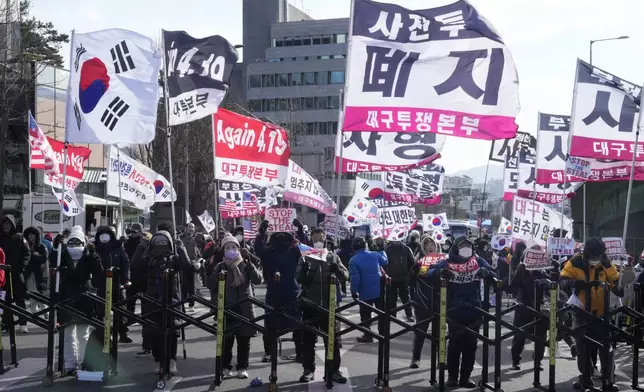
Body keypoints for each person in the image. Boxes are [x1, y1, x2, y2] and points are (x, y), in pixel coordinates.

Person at [426, 236, 496, 388]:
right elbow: (430, 271)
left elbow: (493, 273)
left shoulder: (477, 261)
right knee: (455, 344)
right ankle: (452, 376)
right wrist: (441, 272)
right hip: (454, 309)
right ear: (456, 248)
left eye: (468, 246)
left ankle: (466, 377)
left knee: (471, 345)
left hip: (474, 309)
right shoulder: (447, 262)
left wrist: (487, 272)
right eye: (463, 245)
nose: (466, 248)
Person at [559, 237, 621, 391]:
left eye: (598, 256)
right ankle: (586, 380)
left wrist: (619, 287)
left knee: (606, 348)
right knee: (582, 348)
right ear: (586, 254)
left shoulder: (606, 263)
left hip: (601, 313)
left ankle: (608, 381)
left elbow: (615, 281)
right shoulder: (575, 262)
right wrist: (574, 283)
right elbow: (562, 279)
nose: (595, 259)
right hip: (581, 312)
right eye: (592, 256)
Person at [296, 228, 348, 384]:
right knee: (309, 340)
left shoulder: (332, 257)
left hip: (329, 305)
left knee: (333, 340)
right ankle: (308, 370)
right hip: (310, 304)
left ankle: (333, 371)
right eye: (316, 238)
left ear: (325, 239)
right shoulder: (305, 257)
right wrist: (305, 273)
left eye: (321, 238)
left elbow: (346, 275)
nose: (319, 241)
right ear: (311, 241)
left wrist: (337, 270)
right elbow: (298, 278)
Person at [53, 226, 104, 374]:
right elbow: (52, 265)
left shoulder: (88, 256)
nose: (75, 246)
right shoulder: (62, 255)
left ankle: (84, 362)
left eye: (78, 243)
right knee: (68, 333)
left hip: (85, 296)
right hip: (67, 297)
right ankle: (70, 364)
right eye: (72, 243)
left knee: (83, 333)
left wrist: (94, 255)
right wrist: (55, 249)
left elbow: (99, 273)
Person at [212, 234, 262, 379]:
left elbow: (258, 280)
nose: (231, 250)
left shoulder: (245, 264)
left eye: (234, 247)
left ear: (239, 249)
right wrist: (215, 275)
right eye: (227, 247)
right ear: (223, 250)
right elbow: (210, 284)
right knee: (227, 341)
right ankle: (226, 367)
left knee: (244, 341)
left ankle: (242, 367)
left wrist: (250, 263)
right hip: (227, 308)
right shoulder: (220, 266)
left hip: (244, 308)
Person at [254, 221, 303, 363]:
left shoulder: (293, 251)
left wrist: (300, 231)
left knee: (296, 324)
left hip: (290, 291)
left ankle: (299, 351)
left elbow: (304, 247)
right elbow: (258, 249)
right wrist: (261, 233)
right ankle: (269, 352)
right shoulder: (269, 252)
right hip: (276, 292)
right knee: (271, 324)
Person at [509, 245, 553, 370]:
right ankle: (516, 359)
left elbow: (554, 285)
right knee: (520, 335)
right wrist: (519, 271)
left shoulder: (543, 271)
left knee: (541, 336)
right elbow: (512, 287)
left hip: (540, 308)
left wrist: (555, 270)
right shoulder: (522, 269)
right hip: (524, 307)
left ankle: (537, 360)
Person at [408, 234, 443, 369]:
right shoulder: (419, 261)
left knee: (440, 332)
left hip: (440, 300)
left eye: (432, 244)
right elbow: (409, 283)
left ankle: (440, 358)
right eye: (426, 245)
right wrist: (413, 272)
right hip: (422, 301)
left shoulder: (443, 261)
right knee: (420, 331)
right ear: (422, 248)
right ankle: (415, 358)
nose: (430, 246)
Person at [93, 226, 131, 343]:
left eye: (107, 234)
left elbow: (125, 263)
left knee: (121, 308)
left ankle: (122, 333)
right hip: (101, 283)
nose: (104, 237)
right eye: (102, 235)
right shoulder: (95, 248)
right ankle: (103, 334)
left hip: (117, 282)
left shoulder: (118, 247)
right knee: (101, 310)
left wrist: (126, 279)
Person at [348, 236, 388, 343]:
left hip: (364, 289)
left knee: (365, 314)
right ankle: (383, 334)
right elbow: (385, 261)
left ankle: (368, 335)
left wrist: (353, 291)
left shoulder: (353, 260)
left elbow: (355, 278)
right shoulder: (375, 255)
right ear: (365, 245)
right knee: (381, 312)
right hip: (378, 287)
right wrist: (382, 249)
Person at [0, 215, 30, 332]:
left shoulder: (19, 237)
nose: (6, 225)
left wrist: (21, 268)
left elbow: (27, 253)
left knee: (20, 299)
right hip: (3, 274)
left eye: (8, 223)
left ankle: (23, 324)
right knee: (4, 300)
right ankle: (6, 323)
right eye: (4, 223)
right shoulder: (1, 238)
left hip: (16, 273)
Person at [384, 236, 415, 322]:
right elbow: (384, 263)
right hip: (391, 279)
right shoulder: (387, 249)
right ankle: (392, 315)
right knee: (391, 299)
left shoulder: (406, 249)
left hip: (404, 278)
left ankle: (409, 315)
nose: (396, 240)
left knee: (405, 298)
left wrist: (410, 275)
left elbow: (412, 262)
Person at [23, 226, 49, 323]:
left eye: (33, 234)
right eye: (29, 234)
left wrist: (33, 255)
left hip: (40, 274)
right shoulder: (26, 246)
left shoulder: (42, 246)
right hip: (29, 274)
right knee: (32, 294)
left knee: (41, 294)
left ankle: (45, 312)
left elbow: (44, 257)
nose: (31, 236)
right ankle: (35, 314)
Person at [180, 223, 201, 313]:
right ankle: (181, 303)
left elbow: (200, 253)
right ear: (186, 228)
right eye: (189, 227)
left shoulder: (197, 238)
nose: (191, 229)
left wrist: (198, 261)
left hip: (192, 263)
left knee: (192, 286)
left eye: (193, 227)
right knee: (182, 285)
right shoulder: (180, 238)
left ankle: (191, 304)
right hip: (182, 263)